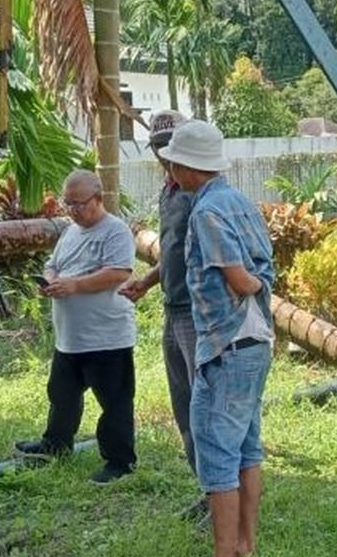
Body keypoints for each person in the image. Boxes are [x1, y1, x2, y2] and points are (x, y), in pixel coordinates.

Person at [158, 120, 275, 557]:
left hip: (227, 342)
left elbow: (239, 278)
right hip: (255, 342)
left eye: (174, 162)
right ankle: (245, 545)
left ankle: (225, 550)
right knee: (247, 446)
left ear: (187, 168)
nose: (169, 169)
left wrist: (251, 285)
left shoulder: (206, 212)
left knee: (216, 453)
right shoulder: (238, 200)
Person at [15, 170, 138, 485]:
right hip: (70, 337)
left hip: (106, 337)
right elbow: (52, 264)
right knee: (61, 395)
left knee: (114, 403)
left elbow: (118, 273)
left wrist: (75, 286)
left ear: (98, 199)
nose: (73, 210)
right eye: (67, 204)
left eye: (79, 204)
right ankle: (56, 444)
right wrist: (51, 280)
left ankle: (120, 461)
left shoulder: (116, 231)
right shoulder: (71, 232)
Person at [118, 110, 206, 511]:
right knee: (184, 407)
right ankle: (209, 493)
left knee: (206, 409)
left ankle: (224, 499)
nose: (164, 153)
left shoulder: (200, 189)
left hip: (199, 311)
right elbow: (174, 250)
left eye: (170, 144)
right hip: (174, 309)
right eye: (157, 146)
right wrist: (149, 280)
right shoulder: (170, 189)